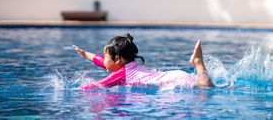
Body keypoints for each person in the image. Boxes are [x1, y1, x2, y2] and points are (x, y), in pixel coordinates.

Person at [72, 33, 214, 89]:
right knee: (207, 86)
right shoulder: (128, 67)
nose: (103, 60)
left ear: (118, 60)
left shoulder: (122, 74)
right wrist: (85, 54)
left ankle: (198, 62)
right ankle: (198, 63)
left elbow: (98, 85)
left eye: (106, 56)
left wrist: (73, 90)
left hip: (174, 80)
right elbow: (103, 62)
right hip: (174, 75)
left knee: (205, 90)